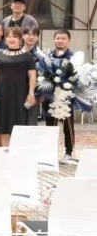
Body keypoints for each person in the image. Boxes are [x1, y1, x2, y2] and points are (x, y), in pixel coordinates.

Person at [0, 27, 36, 147]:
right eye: (9, 37)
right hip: (3, 93)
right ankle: (5, 150)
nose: (11, 39)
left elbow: (32, 75)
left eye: (14, 37)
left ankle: (18, 149)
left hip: (20, 94)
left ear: (20, 39)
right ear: (5, 39)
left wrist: (31, 93)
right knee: (4, 123)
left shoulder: (27, 56)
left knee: (19, 121)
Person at [42, 29, 76, 164]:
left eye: (63, 38)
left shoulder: (73, 57)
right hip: (50, 96)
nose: (60, 41)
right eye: (58, 38)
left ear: (69, 40)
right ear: (54, 40)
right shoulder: (47, 56)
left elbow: (76, 77)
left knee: (68, 126)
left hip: (66, 96)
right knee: (50, 125)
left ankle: (69, 152)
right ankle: (50, 153)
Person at [22, 26, 44, 125]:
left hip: (34, 92)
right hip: (17, 90)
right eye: (28, 34)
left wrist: (41, 94)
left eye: (34, 35)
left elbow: (45, 76)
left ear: (38, 37)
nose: (31, 37)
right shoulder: (17, 52)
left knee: (31, 120)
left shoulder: (41, 55)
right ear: (23, 36)